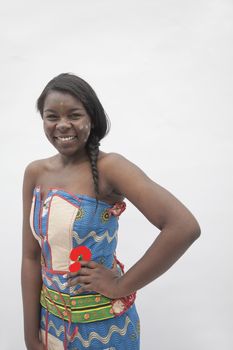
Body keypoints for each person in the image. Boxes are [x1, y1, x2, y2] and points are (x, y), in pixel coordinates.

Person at [21, 73, 201, 350]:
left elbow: (183, 227)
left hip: (104, 330)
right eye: (52, 116)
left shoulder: (110, 168)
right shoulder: (35, 172)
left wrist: (120, 286)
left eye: (74, 115)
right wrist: (30, 336)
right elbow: (31, 257)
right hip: (50, 327)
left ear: (91, 119)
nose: (63, 125)